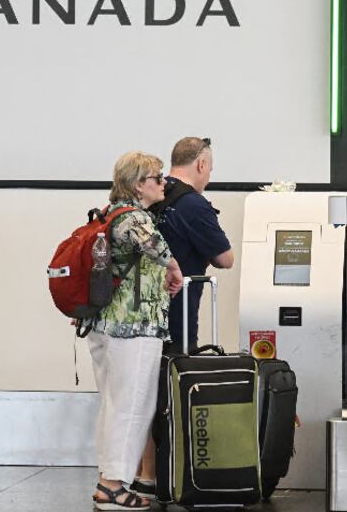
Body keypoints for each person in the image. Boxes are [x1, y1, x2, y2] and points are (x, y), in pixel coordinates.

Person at [90, 151, 182, 511]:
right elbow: (158, 249)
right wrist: (174, 267)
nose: (164, 183)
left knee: (114, 406)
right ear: (138, 185)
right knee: (132, 407)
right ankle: (113, 486)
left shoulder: (109, 214)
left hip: (105, 325)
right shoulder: (134, 218)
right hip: (133, 329)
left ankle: (107, 479)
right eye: (157, 178)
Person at [153, 137, 234, 353]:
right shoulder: (194, 205)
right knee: (174, 374)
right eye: (210, 170)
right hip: (177, 321)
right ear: (201, 164)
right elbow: (226, 260)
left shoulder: (150, 193)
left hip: (138, 321)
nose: (208, 178)